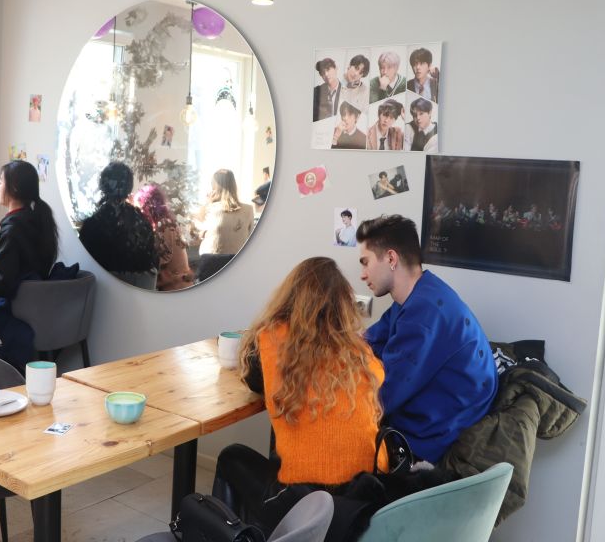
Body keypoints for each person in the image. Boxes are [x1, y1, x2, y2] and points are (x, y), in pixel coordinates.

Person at [211, 257, 385, 534]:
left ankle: (235, 535)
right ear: (343, 305)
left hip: (303, 504)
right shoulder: (360, 353)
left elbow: (254, 380)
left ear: (289, 297)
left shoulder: (271, 339)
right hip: (354, 502)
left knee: (231, 457)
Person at [356, 215, 497, 463]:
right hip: (445, 406)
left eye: (365, 263)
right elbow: (368, 341)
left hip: (442, 428)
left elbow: (382, 396)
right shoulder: (419, 293)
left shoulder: (424, 313)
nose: (362, 275)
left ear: (391, 258)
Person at [0, 160, 59, 370]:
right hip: (37, 312)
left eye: (0, 182)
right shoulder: (36, 221)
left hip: (13, 313)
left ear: (14, 188)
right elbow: (26, 259)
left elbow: (1, 286)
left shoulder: (12, 229)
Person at [79, 162, 158, 286]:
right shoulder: (143, 222)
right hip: (140, 293)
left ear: (103, 185)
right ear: (129, 186)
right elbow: (151, 265)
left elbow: (85, 268)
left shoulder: (92, 225)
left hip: (106, 292)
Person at [134, 184, 195, 291]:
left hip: (176, 288)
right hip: (180, 286)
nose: (138, 213)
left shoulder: (164, 226)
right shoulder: (168, 223)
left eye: (139, 208)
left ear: (147, 206)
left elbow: (158, 260)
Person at [196, 169, 254, 256]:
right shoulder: (249, 209)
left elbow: (199, 234)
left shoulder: (211, 208)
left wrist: (207, 203)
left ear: (215, 187)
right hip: (239, 259)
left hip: (211, 259)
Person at [312, 58, 342, 122]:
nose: (326, 74)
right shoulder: (316, 92)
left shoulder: (347, 91)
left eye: (328, 69)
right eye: (323, 72)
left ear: (336, 68)